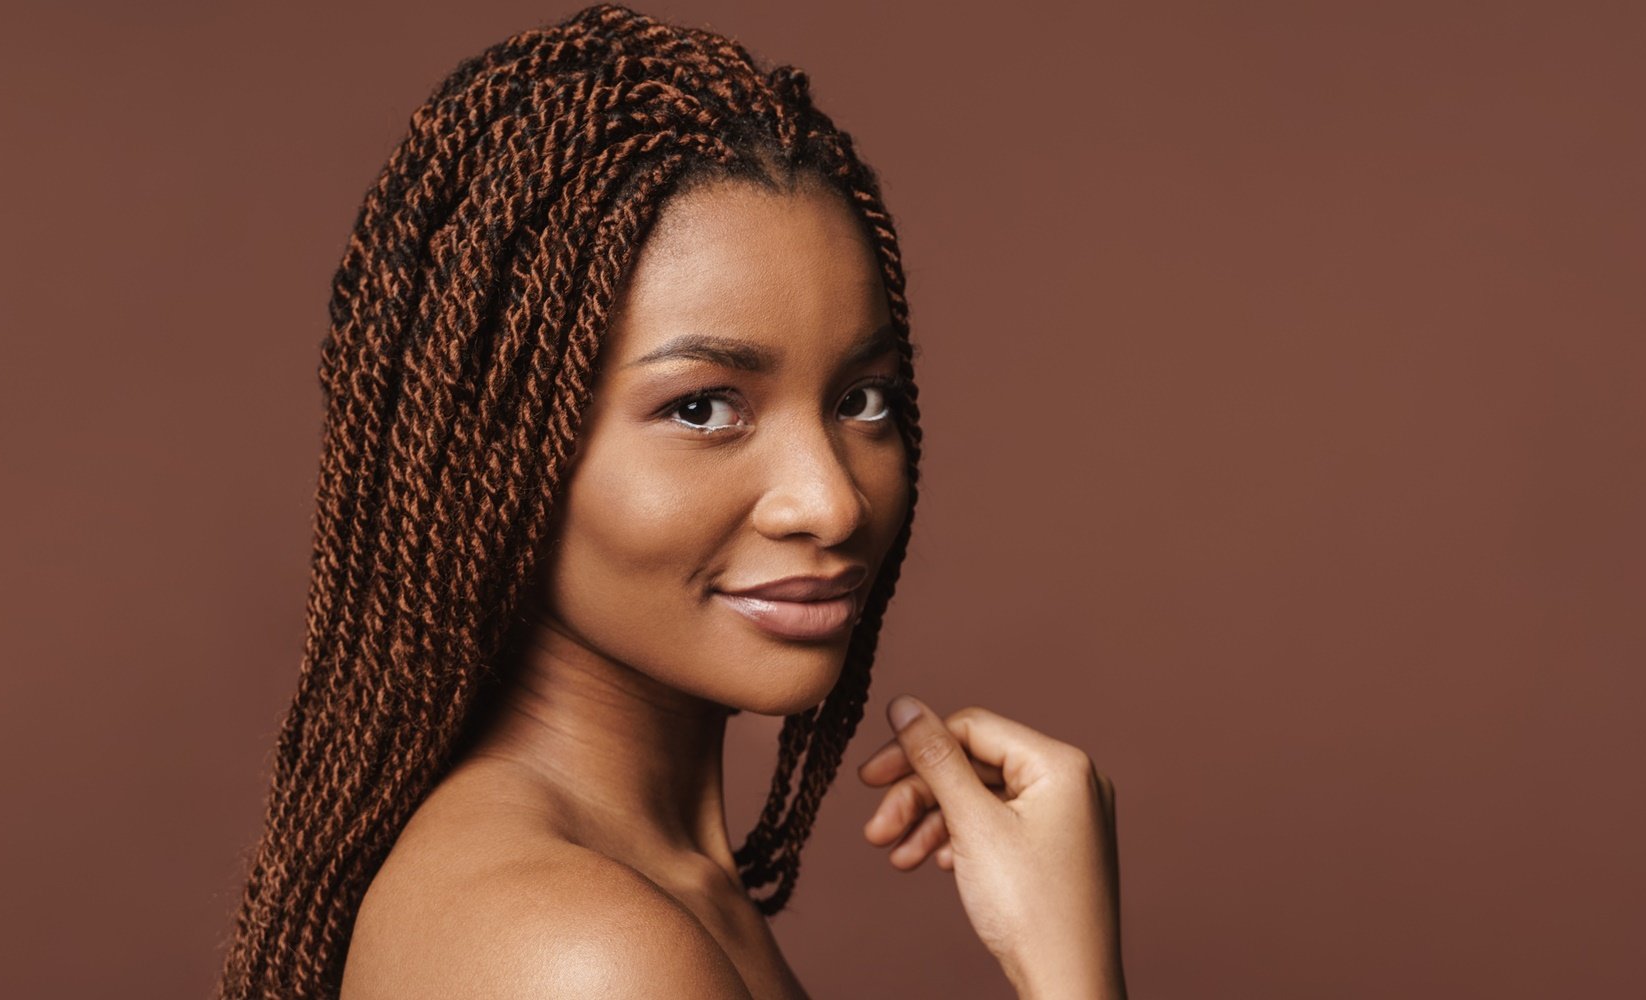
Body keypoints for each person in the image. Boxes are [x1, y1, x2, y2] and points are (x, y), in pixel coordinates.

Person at [218, 5, 1125, 998]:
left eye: (863, 400)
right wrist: (1070, 971)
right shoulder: (579, 952)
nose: (830, 502)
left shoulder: (647, 884)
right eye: (702, 408)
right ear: (497, 449)